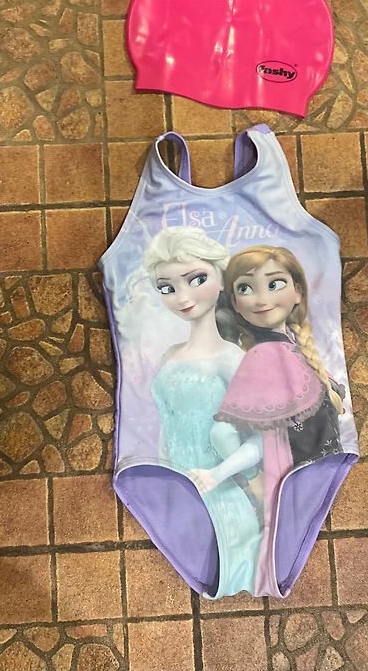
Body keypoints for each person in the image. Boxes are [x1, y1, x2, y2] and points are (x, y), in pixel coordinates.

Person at [190, 245, 345, 596]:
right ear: (235, 302)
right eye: (246, 288)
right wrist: (250, 481)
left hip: (310, 467)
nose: (261, 298)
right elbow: (225, 431)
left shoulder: (291, 346)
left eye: (275, 284)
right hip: (293, 470)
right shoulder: (261, 357)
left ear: (297, 291)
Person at [144, 226, 263, 598]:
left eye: (196, 280)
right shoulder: (170, 355)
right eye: (167, 288)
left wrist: (218, 473)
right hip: (177, 493)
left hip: (220, 494)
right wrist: (163, 478)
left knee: (221, 568)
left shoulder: (231, 359)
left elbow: (263, 438)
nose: (183, 297)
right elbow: (167, 426)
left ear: (221, 278)